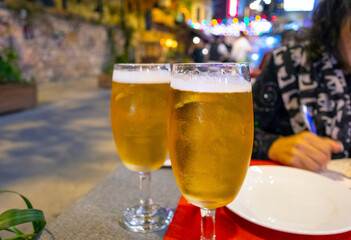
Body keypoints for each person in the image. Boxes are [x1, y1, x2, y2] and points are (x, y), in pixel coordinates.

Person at [252, 0, 351, 171]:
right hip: (297, 188)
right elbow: (235, 132)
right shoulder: (288, 64)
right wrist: (274, 146)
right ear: (338, 17)